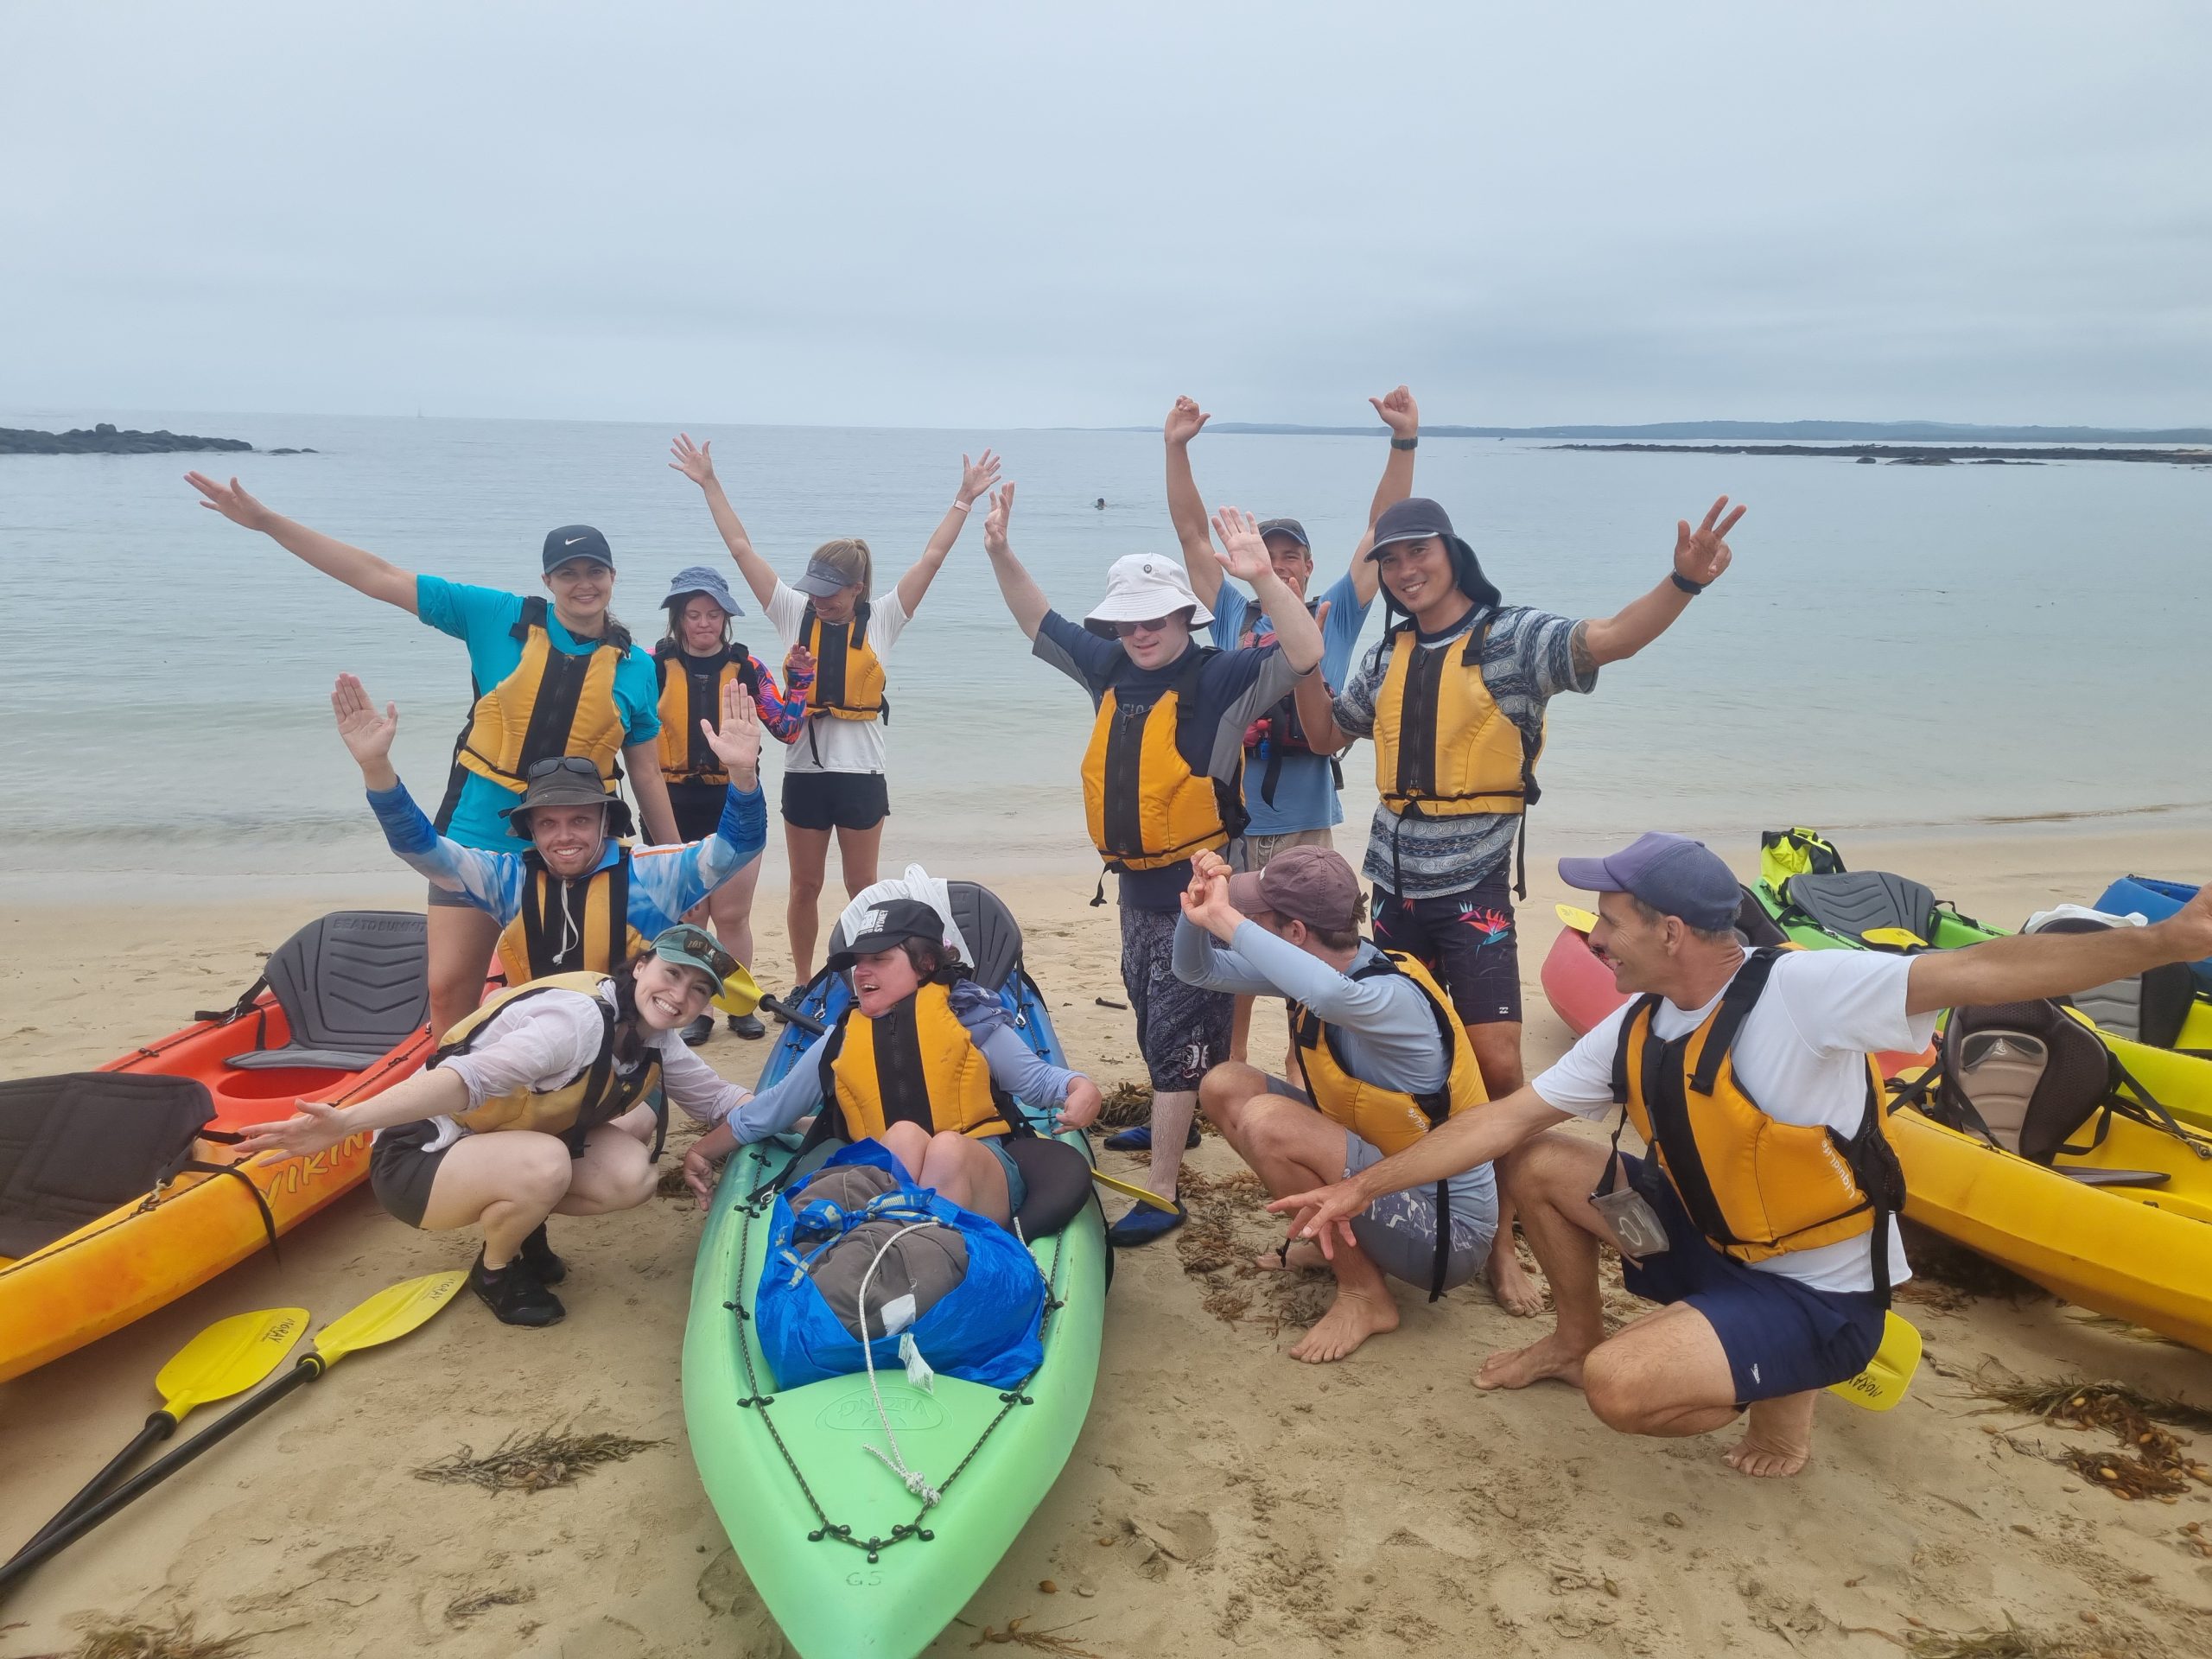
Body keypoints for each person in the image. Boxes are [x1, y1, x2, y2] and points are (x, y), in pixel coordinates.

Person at [1269, 835, 2212, 1476]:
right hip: (1708, 1239)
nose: (1593, 937)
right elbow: (1498, 1125)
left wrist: (2161, 942)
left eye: (1610, 920)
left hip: (1815, 1289)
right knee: (1539, 1162)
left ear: (1670, 931)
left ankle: (1787, 1388)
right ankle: (1573, 1333)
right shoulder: (1641, 1020)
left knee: (1622, 1391)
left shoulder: (1807, 990)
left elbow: (1990, 969)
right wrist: (1361, 1186)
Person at [1292, 493, 1747, 1316]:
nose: (1404, 571)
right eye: (1390, 561)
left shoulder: (1512, 640)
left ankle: (1503, 1244)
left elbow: (1609, 639)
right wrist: (1297, 656)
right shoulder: (1388, 652)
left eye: (1417, 553)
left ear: (1451, 552)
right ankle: (1370, 1210)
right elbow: (1327, 737)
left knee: (1497, 1066)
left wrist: (1682, 583)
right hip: (1391, 889)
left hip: (1471, 889)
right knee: (1382, 1061)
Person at [186, 474, 676, 1036]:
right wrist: (268, 522)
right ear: (547, 579)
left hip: (578, 847)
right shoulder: (495, 616)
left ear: (613, 577)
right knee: (448, 990)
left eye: (595, 572)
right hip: (477, 834)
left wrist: (676, 862)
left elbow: (645, 772)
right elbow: (380, 576)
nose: (582, 584)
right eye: (569, 573)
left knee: (575, 997)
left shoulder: (637, 666)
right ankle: (457, 1108)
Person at [977, 484, 1324, 1243]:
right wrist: (1002, 551)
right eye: (1128, 619)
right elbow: (1039, 620)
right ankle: (1180, 1124)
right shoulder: (1110, 667)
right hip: (1135, 889)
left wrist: (1263, 576)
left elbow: (1305, 651)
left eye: (1155, 617)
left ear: (1184, 616)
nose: (1141, 631)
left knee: (1179, 1031)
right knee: (1149, 1011)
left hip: (1199, 894)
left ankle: (1164, 1192)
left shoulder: (1223, 676)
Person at [233, 926, 753, 1327]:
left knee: (632, 1171)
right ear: (640, 968)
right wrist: (348, 1122)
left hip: (495, 1145)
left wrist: (819, 1108)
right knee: (547, 1164)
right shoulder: (574, 1023)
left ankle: (525, 1223)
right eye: (672, 974)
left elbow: (719, 1101)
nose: (679, 995)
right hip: (421, 1158)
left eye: (698, 989)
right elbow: (464, 1080)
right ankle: (496, 1272)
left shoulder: (656, 1038)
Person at [669, 435, 1001, 987]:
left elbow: (932, 558)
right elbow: (742, 549)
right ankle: (805, 980)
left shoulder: (884, 619)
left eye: (831, 593)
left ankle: (861, 976)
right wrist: (710, 481)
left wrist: (964, 499)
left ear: (857, 588)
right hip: (805, 774)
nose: (820, 600)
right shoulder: (792, 613)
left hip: (862, 775)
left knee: (863, 888)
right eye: (815, 591)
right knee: (804, 886)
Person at [1162, 386, 1420, 1076]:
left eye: (1291, 555)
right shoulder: (1227, 616)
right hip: (1235, 821)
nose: (1278, 563)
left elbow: (1382, 530)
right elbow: (1191, 534)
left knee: (1307, 946)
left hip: (1305, 821)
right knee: (1234, 939)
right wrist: (1176, 448)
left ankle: (1309, 1065)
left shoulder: (1333, 615)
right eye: (1267, 553)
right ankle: (1239, 1063)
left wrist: (1403, 443)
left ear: (1307, 566)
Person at [1175, 846, 1496, 1363]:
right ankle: (1343, 1246)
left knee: (1269, 1121)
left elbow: (1330, 999)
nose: (1251, 924)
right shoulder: (1329, 968)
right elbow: (1197, 970)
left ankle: (1364, 1294)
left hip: (1446, 1234)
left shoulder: (1388, 997)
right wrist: (1195, 916)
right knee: (1225, 1084)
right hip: (1383, 1185)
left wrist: (1225, 917)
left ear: (1296, 933)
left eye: (1262, 918)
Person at [680, 899, 1103, 1225]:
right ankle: (901, 1252)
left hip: (978, 1170)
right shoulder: (842, 1037)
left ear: (926, 964)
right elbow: (769, 1111)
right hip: (887, 1175)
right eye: (858, 962)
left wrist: (1082, 1089)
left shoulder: (972, 1022)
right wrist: (702, 1151)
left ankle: (932, 1257)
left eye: (880, 959)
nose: (862, 973)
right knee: (901, 1137)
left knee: (947, 1150)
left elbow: (1043, 1082)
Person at [331, 672, 765, 989]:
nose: (564, 837)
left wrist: (743, 774)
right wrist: (376, 767)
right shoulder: (508, 879)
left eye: (579, 821)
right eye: (548, 824)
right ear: (530, 832)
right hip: (538, 1046)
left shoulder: (654, 875)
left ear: (606, 823)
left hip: (624, 1055)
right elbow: (420, 848)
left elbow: (736, 848)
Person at [653, 564, 816, 1042]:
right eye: (693, 614)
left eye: (712, 615)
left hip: (735, 798)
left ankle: (739, 1003)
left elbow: (786, 728)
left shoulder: (748, 668)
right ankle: (696, 1010)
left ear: (726, 619)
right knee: (690, 915)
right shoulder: (650, 664)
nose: (703, 624)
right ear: (678, 619)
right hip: (671, 800)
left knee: (731, 916)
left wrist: (801, 680)